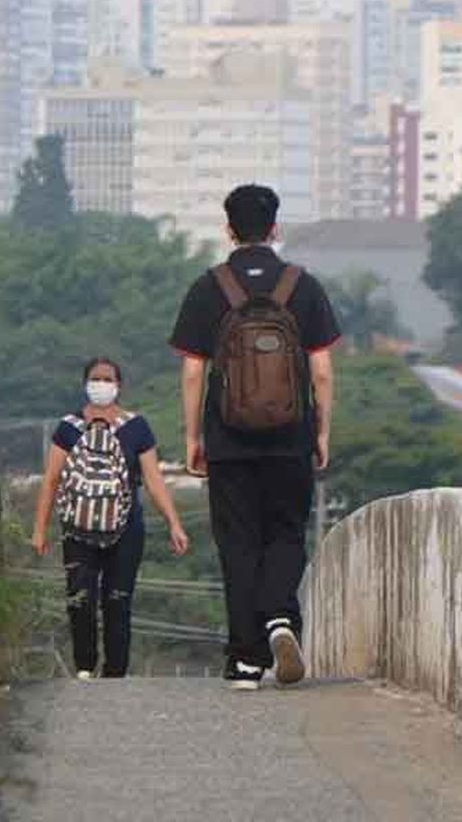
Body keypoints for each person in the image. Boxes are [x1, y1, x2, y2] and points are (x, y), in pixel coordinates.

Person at [169, 184, 340, 691]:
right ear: (275, 228)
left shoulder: (209, 288)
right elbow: (323, 370)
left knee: (239, 544)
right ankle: (281, 621)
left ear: (228, 230)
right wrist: (321, 430)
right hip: (291, 437)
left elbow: (193, 374)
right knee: (286, 533)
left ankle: (244, 661)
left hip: (228, 440)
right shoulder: (302, 287)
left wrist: (194, 436)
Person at [32, 357, 190, 679]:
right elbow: (52, 478)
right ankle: (85, 666)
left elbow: (153, 478)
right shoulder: (68, 428)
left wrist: (174, 522)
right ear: (85, 383)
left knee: (118, 600)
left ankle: (115, 671)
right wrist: (40, 529)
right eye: (95, 378)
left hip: (126, 528)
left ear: (119, 386)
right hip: (77, 528)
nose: (101, 385)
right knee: (81, 599)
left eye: (107, 379)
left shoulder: (137, 427)